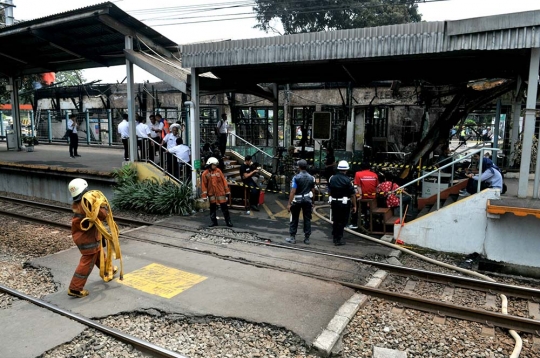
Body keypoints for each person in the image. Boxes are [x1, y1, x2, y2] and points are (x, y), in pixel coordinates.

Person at [67, 178, 121, 298]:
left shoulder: (78, 203)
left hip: (83, 236)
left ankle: (109, 270)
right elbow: (102, 214)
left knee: (99, 253)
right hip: (88, 239)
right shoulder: (87, 203)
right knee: (87, 262)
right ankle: (75, 288)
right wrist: (101, 205)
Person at [285, 159, 315, 244]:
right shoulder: (311, 178)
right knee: (307, 219)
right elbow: (313, 191)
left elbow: (293, 191)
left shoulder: (296, 177)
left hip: (297, 200)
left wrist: (289, 203)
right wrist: (313, 203)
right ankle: (307, 238)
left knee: (294, 218)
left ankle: (292, 237)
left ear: (299, 167)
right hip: (307, 200)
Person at [328, 161, 356, 246]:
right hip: (344, 203)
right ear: (346, 169)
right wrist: (355, 205)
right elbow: (352, 194)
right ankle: (338, 239)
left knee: (335, 219)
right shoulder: (348, 180)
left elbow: (329, 191)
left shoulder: (332, 178)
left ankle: (334, 236)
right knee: (342, 221)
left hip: (334, 202)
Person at [201, 157, 233, 227]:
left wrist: (227, 191)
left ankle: (228, 222)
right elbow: (204, 185)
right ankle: (214, 222)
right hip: (212, 194)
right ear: (210, 164)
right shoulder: (205, 174)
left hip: (220, 193)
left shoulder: (218, 171)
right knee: (212, 209)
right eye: (214, 165)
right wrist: (204, 196)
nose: (215, 166)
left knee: (224, 208)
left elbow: (224, 181)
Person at [350, 161, 379, 229]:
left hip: (363, 197)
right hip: (372, 197)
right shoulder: (374, 175)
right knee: (366, 209)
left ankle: (354, 223)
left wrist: (360, 195)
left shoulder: (358, 174)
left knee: (354, 204)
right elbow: (377, 187)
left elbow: (358, 186)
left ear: (361, 167)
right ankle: (368, 221)